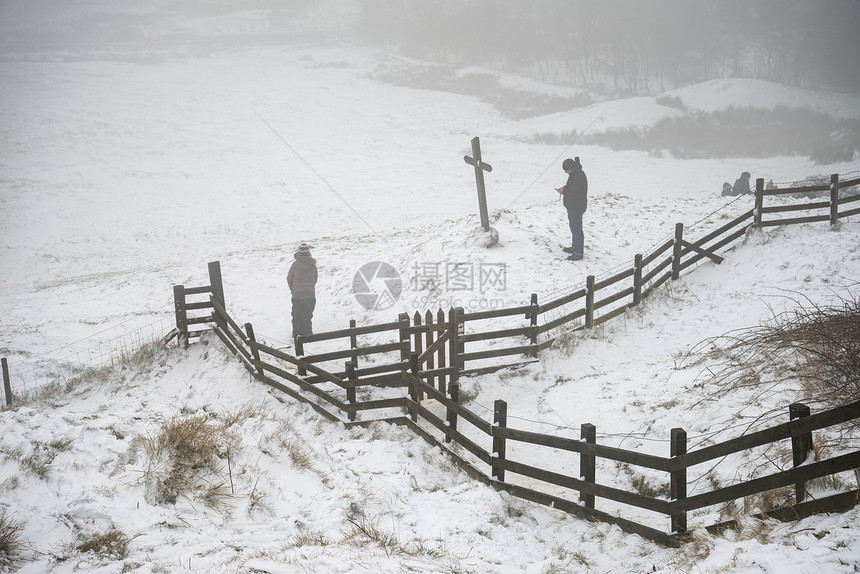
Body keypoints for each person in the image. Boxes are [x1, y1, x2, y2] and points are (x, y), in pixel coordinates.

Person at [556, 157, 588, 261]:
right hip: (574, 206)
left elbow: (574, 193)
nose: (565, 172)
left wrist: (563, 192)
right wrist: (565, 188)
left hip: (576, 206)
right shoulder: (575, 174)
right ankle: (575, 247)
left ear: (571, 168)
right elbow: (572, 187)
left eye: (566, 170)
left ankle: (578, 252)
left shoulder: (578, 176)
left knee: (577, 229)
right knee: (574, 228)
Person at [287, 243, 318, 337]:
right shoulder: (312, 265)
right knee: (307, 315)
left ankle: (297, 334)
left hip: (297, 294)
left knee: (296, 314)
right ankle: (308, 333)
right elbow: (315, 278)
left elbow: (289, 278)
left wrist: (293, 289)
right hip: (310, 295)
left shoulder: (295, 265)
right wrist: (309, 287)